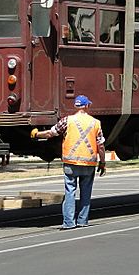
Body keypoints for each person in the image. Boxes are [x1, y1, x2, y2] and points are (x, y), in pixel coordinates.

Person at [31, 95, 107, 229]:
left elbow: (51, 133)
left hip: (70, 163)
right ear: (87, 106)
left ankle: (69, 222)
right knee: (86, 193)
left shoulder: (67, 120)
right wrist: (102, 162)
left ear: (76, 106)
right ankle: (83, 221)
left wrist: (36, 134)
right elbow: (100, 145)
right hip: (89, 164)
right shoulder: (95, 123)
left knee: (70, 192)